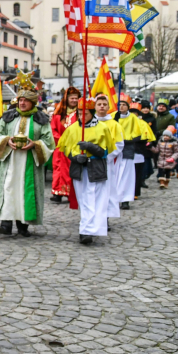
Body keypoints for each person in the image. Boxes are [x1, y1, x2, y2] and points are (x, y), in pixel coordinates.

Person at [0, 73, 55, 236]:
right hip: (10, 161)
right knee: (9, 189)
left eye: (26, 100)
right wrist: (6, 140)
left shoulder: (41, 119)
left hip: (29, 162)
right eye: (20, 100)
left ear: (33, 102)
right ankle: (5, 223)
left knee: (24, 191)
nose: (22, 103)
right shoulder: (8, 117)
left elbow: (49, 141)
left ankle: (23, 225)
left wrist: (35, 144)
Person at [57, 97, 116, 244]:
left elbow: (105, 151)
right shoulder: (72, 129)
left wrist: (90, 147)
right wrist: (75, 157)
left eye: (86, 114)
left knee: (95, 200)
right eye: (80, 113)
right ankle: (86, 230)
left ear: (92, 113)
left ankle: (88, 230)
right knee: (84, 200)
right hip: (80, 169)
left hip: (96, 169)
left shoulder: (102, 128)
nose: (82, 117)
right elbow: (65, 148)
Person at [94, 94, 124, 220]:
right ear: (94, 106)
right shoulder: (89, 122)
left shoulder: (114, 124)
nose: (102, 107)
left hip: (106, 162)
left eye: (104, 104)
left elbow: (119, 144)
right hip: (91, 162)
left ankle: (105, 216)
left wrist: (107, 157)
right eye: (99, 104)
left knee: (106, 190)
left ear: (108, 107)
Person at [50, 87, 81, 204]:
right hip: (60, 147)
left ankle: (69, 193)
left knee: (70, 170)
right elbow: (53, 130)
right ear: (66, 99)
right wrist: (62, 141)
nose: (74, 100)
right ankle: (57, 192)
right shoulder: (58, 114)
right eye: (71, 98)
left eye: (76, 98)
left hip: (74, 147)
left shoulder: (81, 114)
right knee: (58, 169)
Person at [115, 100, 142, 210]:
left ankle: (125, 199)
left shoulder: (133, 118)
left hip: (127, 149)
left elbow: (137, 134)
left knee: (126, 176)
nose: (121, 106)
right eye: (119, 105)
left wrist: (125, 140)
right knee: (114, 175)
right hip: (114, 149)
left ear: (128, 106)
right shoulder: (112, 117)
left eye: (124, 105)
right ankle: (114, 198)